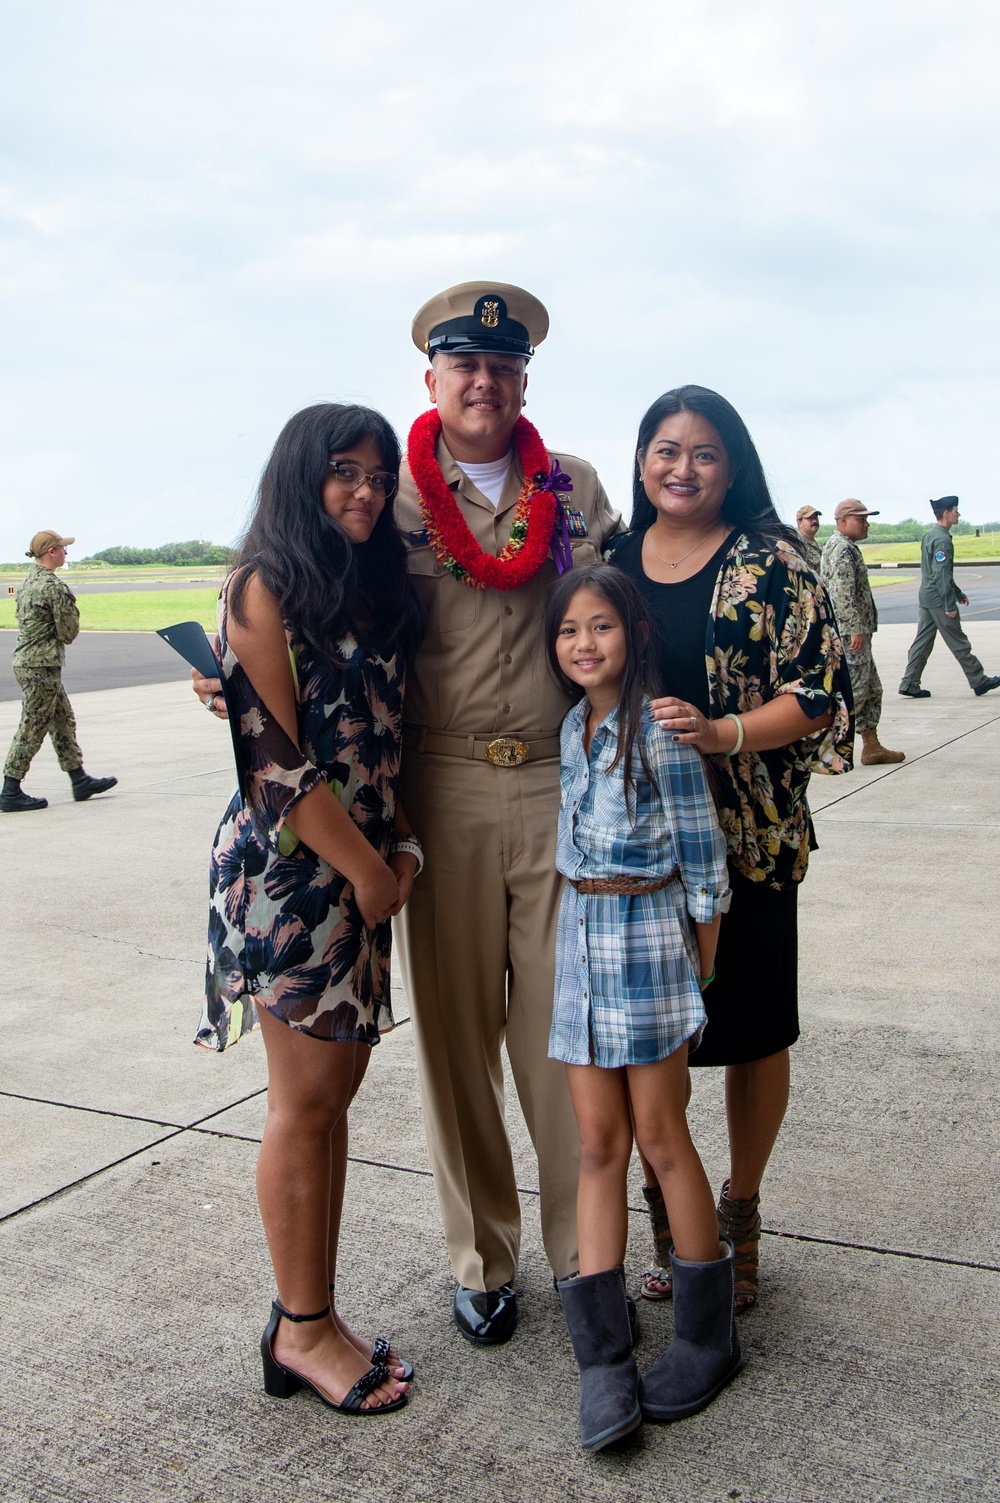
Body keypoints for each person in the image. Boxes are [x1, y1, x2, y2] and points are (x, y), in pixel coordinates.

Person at [388, 282, 623, 1345]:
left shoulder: (567, 484)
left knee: (558, 1035)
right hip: (437, 791)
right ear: (432, 378)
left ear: (523, 378)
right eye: (461, 365)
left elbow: (622, 608)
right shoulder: (386, 492)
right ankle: (482, 1258)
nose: (482, 382)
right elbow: (302, 593)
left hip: (554, 781)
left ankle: (584, 1255)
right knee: (453, 1043)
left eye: (501, 365)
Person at [606, 385, 854, 1315]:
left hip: (749, 838)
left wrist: (724, 733)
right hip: (634, 854)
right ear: (641, 463)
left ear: (734, 464)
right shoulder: (612, 563)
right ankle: (671, 1214)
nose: (682, 467)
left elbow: (820, 692)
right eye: (665, 450)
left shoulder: (775, 560)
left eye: (704, 452)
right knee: (643, 1044)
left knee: (754, 1030)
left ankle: (740, 1208)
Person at [201, 403, 423, 1415]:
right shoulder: (264, 586)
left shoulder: (363, 591)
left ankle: (314, 1315)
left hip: (363, 866)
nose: (367, 491)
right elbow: (278, 771)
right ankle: (300, 1329)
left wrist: (402, 844)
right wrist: (370, 873)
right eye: (344, 472)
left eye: (378, 475)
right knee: (303, 1106)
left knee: (331, 1104)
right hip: (297, 882)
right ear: (302, 476)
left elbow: (381, 733)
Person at [545, 564, 741, 1452]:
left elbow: (706, 866)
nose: (585, 645)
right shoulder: (570, 730)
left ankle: (708, 1335)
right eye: (568, 631)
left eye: (602, 627)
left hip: (651, 947)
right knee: (596, 1143)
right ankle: (603, 1357)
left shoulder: (660, 731)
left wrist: (695, 976)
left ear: (633, 634)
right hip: (583, 944)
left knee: (662, 1139)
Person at [1, 530, 117, 813]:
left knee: (62, 720)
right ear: (51, 551)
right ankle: (10, 789)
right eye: (63, 549)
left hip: (30, 663)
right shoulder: (53, 586)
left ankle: (79, 779)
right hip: (41, 666)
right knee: (33, 726)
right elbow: (68, 632)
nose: (67, 553)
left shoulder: (28, 581)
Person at [821, 499, 905, 765]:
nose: (866, 523)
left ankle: (871, 746)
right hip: (850, 634)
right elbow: (841, 593)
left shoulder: (847, 547)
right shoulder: (841, 548)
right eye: (861, 519)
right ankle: (824, 748)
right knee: (852, 692)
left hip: (856, 632)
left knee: (871, 689)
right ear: (843, 521)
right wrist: (855, 628)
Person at [899, 496, 1000, 699]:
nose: (958, 514)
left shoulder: (930, 535)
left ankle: (909, 682)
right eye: (955, 510)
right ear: (946, 513)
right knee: (958, 641)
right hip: (938, 599)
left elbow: (938, 571)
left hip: (927, 596)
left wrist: (958, 593)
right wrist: (949, 603)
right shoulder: (942, 539)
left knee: (922, 642)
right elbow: (941, 573)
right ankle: (979, 680)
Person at [795, 505, 823, 570]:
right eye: (810, 518)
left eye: (816, 517)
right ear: (800, 523)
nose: (815, 521)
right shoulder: (797, 544)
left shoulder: (819, 546)